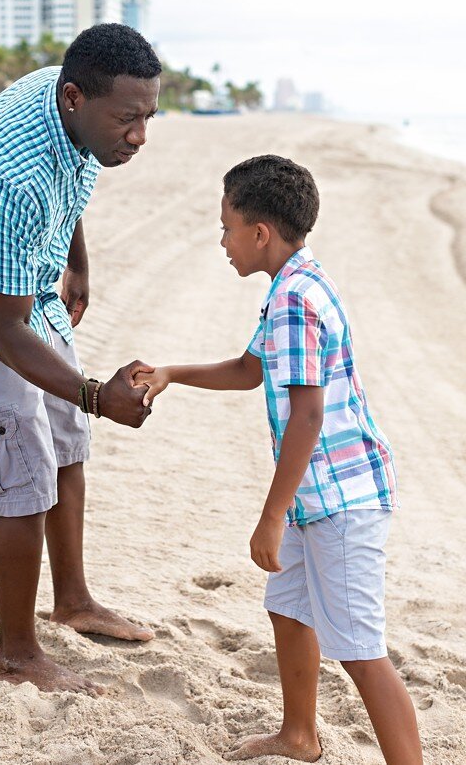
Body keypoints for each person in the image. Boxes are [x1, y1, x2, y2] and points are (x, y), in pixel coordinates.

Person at [134, 155, 422, 764]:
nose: (222, 242)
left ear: (259, 232)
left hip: (340, 499)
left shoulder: (295, 299)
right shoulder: (295, 283)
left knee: (360, 650)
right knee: (288, 608)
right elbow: (249, 369)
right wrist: (172, 374)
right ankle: (298, 736)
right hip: (311, 495)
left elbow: (309, 417)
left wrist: (272, 515)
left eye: (226, 227)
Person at [0, 23, 161, 694]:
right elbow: (6, 334)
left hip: (28, 286)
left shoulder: (67, 99)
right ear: (75, 97)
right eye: (128, 120)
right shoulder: (10, 175)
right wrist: (100, 392)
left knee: (67, 437)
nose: (139, 136)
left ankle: (72, 601)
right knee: (23, 472)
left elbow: (69, 179)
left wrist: (75, 261)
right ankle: (16, 652)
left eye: (149, 117)